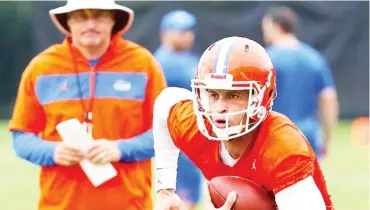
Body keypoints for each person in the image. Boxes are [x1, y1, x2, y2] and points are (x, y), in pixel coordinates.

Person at [8, 0, 166, 209]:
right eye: (81, 17)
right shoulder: (41, 67)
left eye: (99, 16)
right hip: (59, 204)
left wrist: (120, 149)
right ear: (68, 22)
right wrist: (53, 152)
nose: (90, 24)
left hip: (129, 204)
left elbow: (165, 132)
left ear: (113, 21)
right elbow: (21, 137)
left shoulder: (143, 64)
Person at [153, 36, 334, 210]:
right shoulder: (197, 127)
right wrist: (165, 190)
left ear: (260, 97)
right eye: (213, 95)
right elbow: (165, 101)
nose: (219, 108)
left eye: (232, 95)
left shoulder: (283, 149)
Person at [261, 6, 339, 159]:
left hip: (273, 136)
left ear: (276, 26)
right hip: (307, 137)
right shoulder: (315, 59)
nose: (264, 33)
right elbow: (328, 98)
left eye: (265, 28)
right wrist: (326, 138)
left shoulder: (264, 59)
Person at [153, 9, 203, 210]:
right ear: (166, 33)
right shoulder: (162, 62)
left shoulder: (190, 59)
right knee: (180, 200)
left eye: (190, 31)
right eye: (182, 31)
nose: (188, 36)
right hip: (176, 140)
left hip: (193, 136)